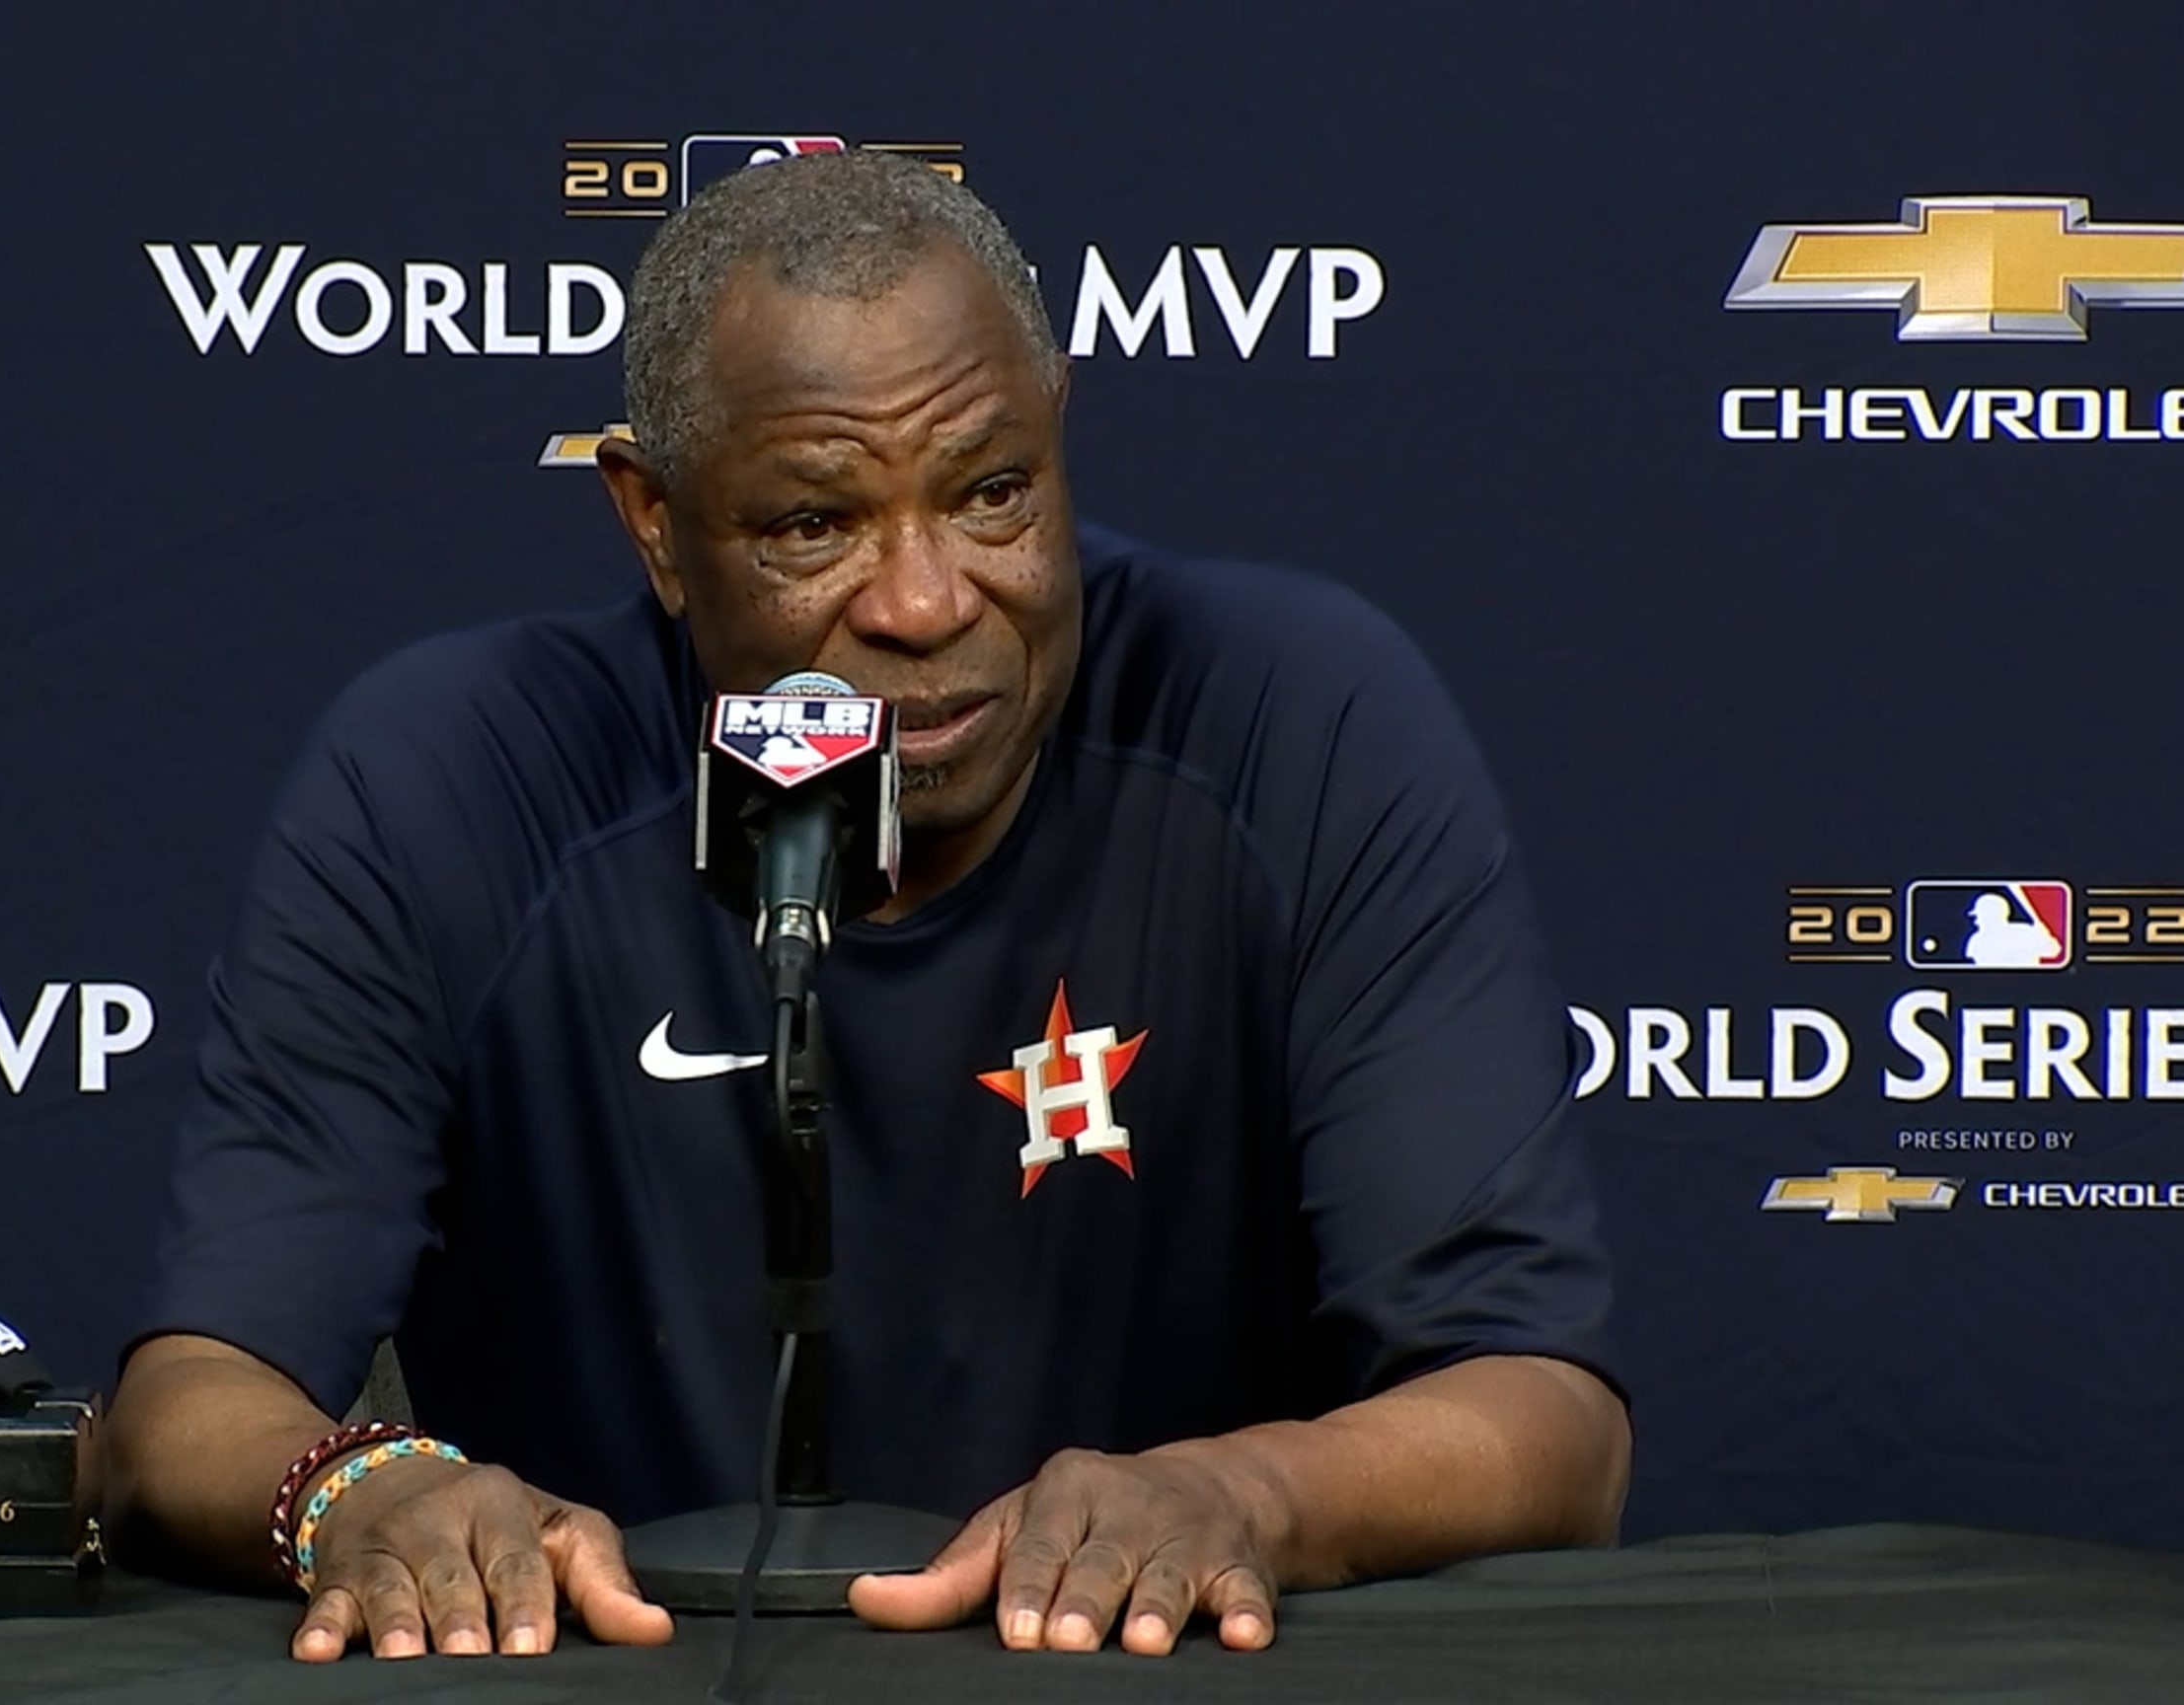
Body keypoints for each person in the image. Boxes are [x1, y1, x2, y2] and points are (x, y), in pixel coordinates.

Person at [107, 149, 1629, 1663]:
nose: (926, 600)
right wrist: (360, 1487)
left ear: (1058, 439)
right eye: (813, 526)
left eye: (991, 493)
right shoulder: (452, 774)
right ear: (654, 525)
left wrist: (1237, 1494)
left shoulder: (1296, 721)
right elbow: (186, 1406)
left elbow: (1546, 1419)